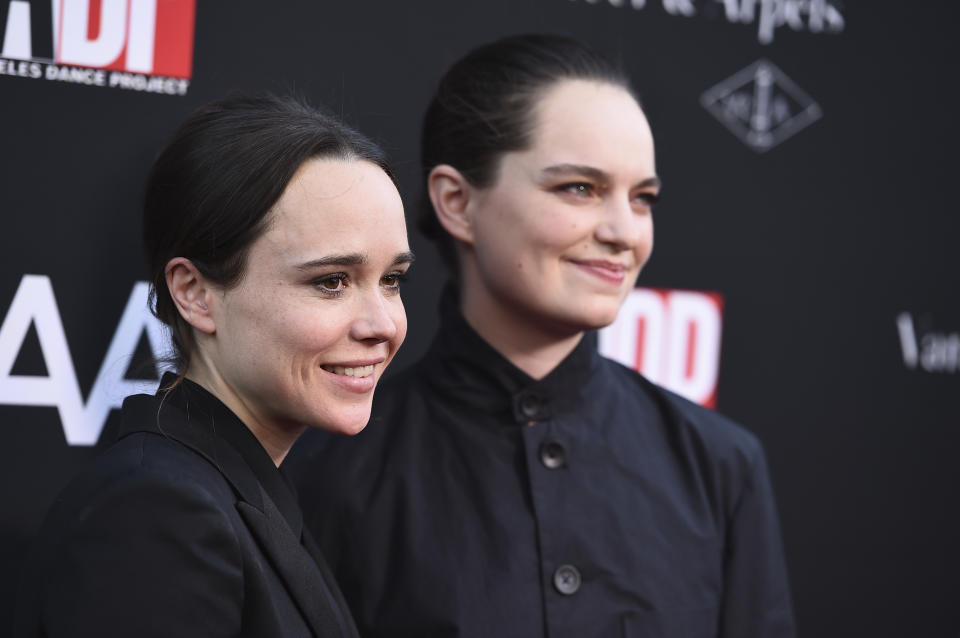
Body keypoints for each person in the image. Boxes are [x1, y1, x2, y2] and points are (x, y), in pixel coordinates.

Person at [287, 34, 795, 638]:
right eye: (579, 188)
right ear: (457, 202)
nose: (623, 232)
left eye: (643, 199)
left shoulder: (718, 466)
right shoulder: (324, 471)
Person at [14, 94, 413, 638]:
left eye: (392, 280)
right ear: (195, 293)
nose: (383, 324)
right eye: (330, 281)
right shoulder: (156, 516)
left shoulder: (232, 490)